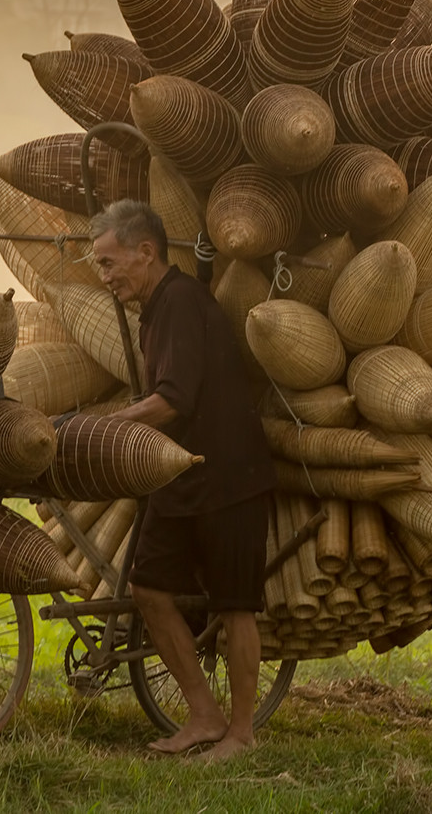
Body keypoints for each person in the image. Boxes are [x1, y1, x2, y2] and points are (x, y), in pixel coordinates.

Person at [89, 199, 276, 762]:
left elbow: (173, 400)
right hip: (182, 476)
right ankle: (203, 713)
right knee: (149, 587)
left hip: (228, 476)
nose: (104, 278)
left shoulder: (180, 303)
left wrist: (106, 429)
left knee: (235, 605)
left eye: (108, 262)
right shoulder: (158, 307)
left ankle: (241, 735)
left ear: (146, 252)